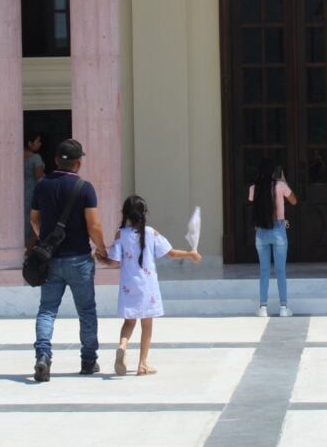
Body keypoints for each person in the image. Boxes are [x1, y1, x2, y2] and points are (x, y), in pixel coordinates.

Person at [30, 138, 108, 382]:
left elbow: (34, 219)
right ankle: (88, 360)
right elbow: (93, 224)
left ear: (55, 160)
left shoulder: (42, 185)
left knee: (47, 310)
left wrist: (45, 242)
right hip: (79, 259)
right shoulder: (85, 187)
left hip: (50, 260)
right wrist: (102, 249)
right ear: (79, 163)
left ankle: (43, 355)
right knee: (86, 310)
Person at [101, 195, 201, 376]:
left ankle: (122, 346)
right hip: (148, 288)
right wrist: (190, 254)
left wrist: (100, 258)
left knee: (129, 322)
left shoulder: (120, 234)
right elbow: (170, 253)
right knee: (147, 326)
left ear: (125, 214)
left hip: (128, 287)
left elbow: (114, 262)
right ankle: (142, 364)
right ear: (144, 213)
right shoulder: (151, 232)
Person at [249, 159, 297, 317]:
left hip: (261, 232)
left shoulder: (253, 189)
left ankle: (263, 307)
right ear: (273, 173)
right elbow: (294, 201)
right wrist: (283, 180)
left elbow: (253, 202)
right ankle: (283, 307)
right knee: (280, 270)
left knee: (264, 271)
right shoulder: (280, 186)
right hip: (278, 230)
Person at [24, 132, 45, 249]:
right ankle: (28, 250)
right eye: (37, 141)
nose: (40, 144)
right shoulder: (35, 157)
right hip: (32, 190)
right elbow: (38, 176)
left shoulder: (16, 156)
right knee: (35, 221)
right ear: (30, 143)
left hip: (19, 191)